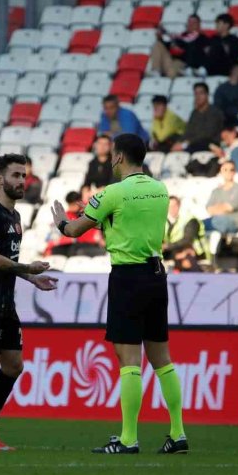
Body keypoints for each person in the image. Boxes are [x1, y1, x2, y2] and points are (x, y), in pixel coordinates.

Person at [52, 134, 187, 455]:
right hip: (157, 275)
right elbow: (134, 226)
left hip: (128, 277)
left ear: (119, 157)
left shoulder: (111, 193)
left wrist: (61, 220)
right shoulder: (160, 190)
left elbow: (73, 230)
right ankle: (178, 434)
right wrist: (102, 217)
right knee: (162, 359)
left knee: (129, 360)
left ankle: (128, 438)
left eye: (113, 155)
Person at [0, 154, 58, 451]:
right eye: (16, 175)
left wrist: (32, 279)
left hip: (6, 302)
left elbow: (9, 263)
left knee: (14, 365)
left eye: (24, 175)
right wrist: (28, 269)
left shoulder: (15, 217)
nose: (22, 181)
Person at [163, 195, 211, 270]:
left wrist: (166, 246)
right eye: (170, 206)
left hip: (196, 252)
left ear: (179, 206)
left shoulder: (190, 219)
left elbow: (187, 240)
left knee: (186, 258)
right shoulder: (164, 222)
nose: (172, 209)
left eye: (174, 206)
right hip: (173, 251)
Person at [203, 161, 238, 234]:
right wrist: (222, 207)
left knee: (212, 223)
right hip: (215, 221)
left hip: (232, 223)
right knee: (196, 224)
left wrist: (217, 208)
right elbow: (209, 210)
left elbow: (229, 207)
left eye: (231, 169)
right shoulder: (216, 191)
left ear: (235, 172)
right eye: (225, 169)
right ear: (221, 172)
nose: (228, 172)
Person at [184, 83, 224, 153]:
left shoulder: (214, 112)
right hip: (194, 144)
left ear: (207, 95)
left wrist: (186, 143)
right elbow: (188, 131)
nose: (198, 97)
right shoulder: (194, 113)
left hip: (210, 145)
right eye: (196, 94)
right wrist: (179, 142)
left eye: (201, 93)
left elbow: (207, 134)